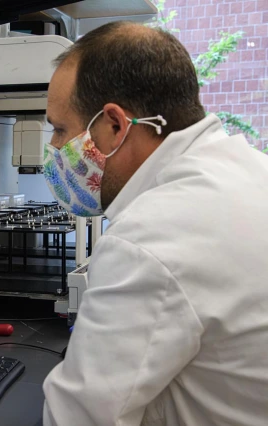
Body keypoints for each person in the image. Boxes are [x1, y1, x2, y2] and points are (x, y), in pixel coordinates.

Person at [42, 21, 268, 426]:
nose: (56, 149)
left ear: (114, 125)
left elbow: (77, 418)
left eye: (60, 130)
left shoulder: (150, 240)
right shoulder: (248, 170)